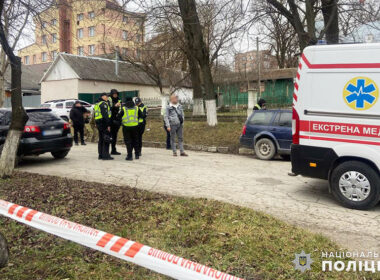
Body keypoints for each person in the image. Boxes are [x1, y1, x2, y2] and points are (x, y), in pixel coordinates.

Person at [94, 93, 113, 160]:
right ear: (102, 96)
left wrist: (96, 123)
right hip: (103, 123)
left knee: (101, 139)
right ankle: (106, 156)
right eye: (106, 96)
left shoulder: (97, 104)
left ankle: (101, 155)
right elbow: (105, 115)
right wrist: (108, 125)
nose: (107, 97)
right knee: (106, 139)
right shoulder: (103, 104)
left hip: (99, 123)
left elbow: (95, 114)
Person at [108, 89, 122, 155]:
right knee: (109, 136)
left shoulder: (119, 100)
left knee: (114, 136)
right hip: (110, 120)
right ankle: (106, 151)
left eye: (116, 94)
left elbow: (121, 109)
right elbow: (109, 109)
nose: (115, 95)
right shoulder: (109, 99)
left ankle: (113, 150)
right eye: (114, 94)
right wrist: (114, 106)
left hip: (117, 120)